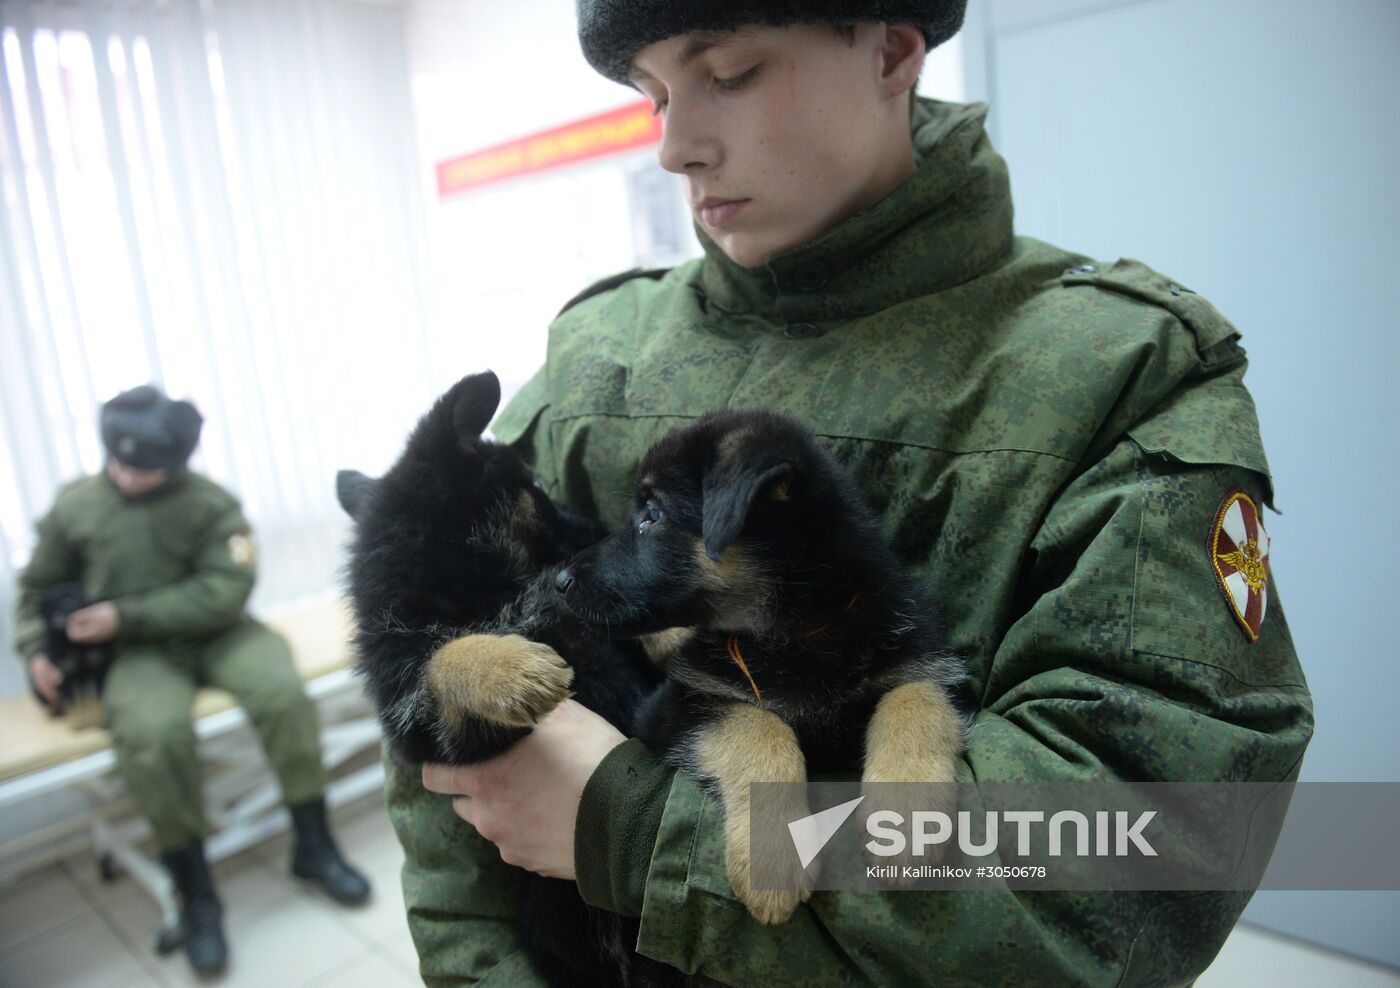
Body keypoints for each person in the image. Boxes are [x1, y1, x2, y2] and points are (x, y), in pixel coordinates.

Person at [386, 2, 1315, 984]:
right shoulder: (595, 365)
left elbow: (1143, 844)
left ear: (890, 51)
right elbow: (440, 731)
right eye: (653, 95)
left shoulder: (1109, 372)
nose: (676, 146)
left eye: (730, 72)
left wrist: (637, 831)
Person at [15, 385, 371, 977]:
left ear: (177, 461)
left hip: (221, 631)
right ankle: (195, 892)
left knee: (282, 694)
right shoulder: (74, 507)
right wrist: (35, 651)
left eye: (145, 468)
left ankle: (315, 845)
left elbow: (226, 591)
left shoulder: (211, 505)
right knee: (153, 736)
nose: (129, 477)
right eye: (120, 463)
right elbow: (33, 594)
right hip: (132, 654)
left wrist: (125, 614)